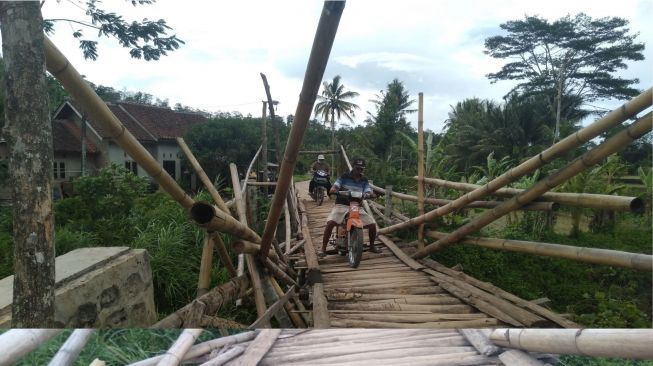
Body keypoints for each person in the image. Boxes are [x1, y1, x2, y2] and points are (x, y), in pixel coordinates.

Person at [320, 157, 380, 257]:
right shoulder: (344, 177)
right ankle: (323, 248)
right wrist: (335, 190)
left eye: (361, 169)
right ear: (353, 167)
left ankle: (372, 246)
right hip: (341, 205)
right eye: (357, 168)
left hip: (356, 206)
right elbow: (335, 186)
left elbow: (368, 190)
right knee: (331, 222)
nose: (359, 170)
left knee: (372, 225)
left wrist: (369, 194)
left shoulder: (364, 180)